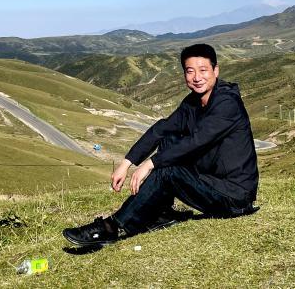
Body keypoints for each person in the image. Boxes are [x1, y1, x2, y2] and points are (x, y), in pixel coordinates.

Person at [62, 43, 259, 246]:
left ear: (215, 71)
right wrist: (126, 163)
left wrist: (151, 163)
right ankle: (162, 213)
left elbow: (196, 141)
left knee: (167, 170)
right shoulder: (193, 102)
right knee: (169, 138)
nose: (197, 77)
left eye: (203, 70)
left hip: (234, 196)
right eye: (190, 71)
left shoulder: (227, 104)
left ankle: (113, 227)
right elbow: (162, 128)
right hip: (213, 179)